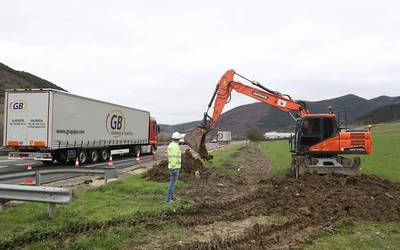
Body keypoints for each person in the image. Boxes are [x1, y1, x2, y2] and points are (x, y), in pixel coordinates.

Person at [166, 132, 182, 202]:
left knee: (172, 183)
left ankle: (171, 197)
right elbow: (174, 158)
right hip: (175, 167)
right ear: (178, 139)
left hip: (171, 167)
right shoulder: (176, 146)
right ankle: (169, 199)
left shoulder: (170, 145)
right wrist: (174, 167)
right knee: (172, 184)